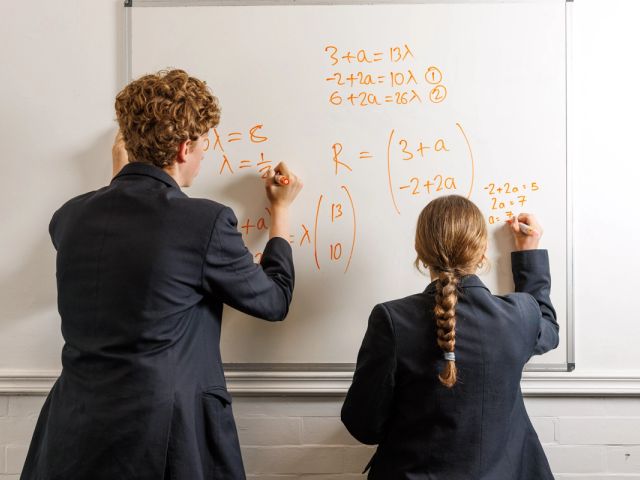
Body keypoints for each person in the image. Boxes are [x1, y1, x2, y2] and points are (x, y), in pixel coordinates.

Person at [21, 69, 302, 480]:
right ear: (185, 148)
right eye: (204, 144)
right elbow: (274, 301)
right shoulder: (203, 222)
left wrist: (121, 175)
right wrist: (281, 211)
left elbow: (130, 261)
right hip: (162, 439)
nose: (205, 155)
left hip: (72, 433)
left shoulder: (68, 218)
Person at [341, 195, 559, 480]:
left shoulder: (392, 320)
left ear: (420, 251)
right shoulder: (520, 316)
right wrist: (528, 252)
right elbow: (549, 329)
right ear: (482, 251)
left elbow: (363, 426)